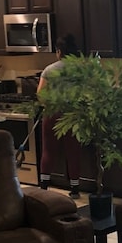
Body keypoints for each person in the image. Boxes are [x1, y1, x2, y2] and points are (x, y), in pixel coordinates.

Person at [37, 33, 81, 198]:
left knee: (49, 150)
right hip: (73, 115)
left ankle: (44, 187)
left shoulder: (50, 69)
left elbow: (40, 94)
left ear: (59, 51)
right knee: (73, 151)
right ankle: (75, 189)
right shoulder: (80, 69)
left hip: (52, 113)